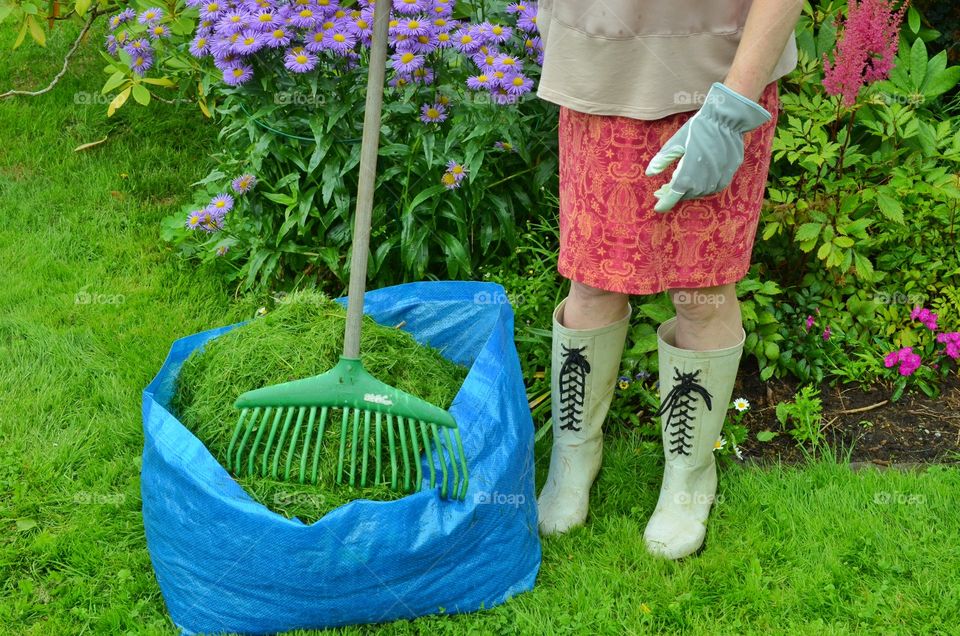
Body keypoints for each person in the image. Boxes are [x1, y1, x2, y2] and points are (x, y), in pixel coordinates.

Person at [534, 0, 804, 559]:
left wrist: (732, 109)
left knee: (701, 293)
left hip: (720, 75)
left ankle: (689, 473)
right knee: (592, 281)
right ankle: (574, 449)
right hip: (599, 65)